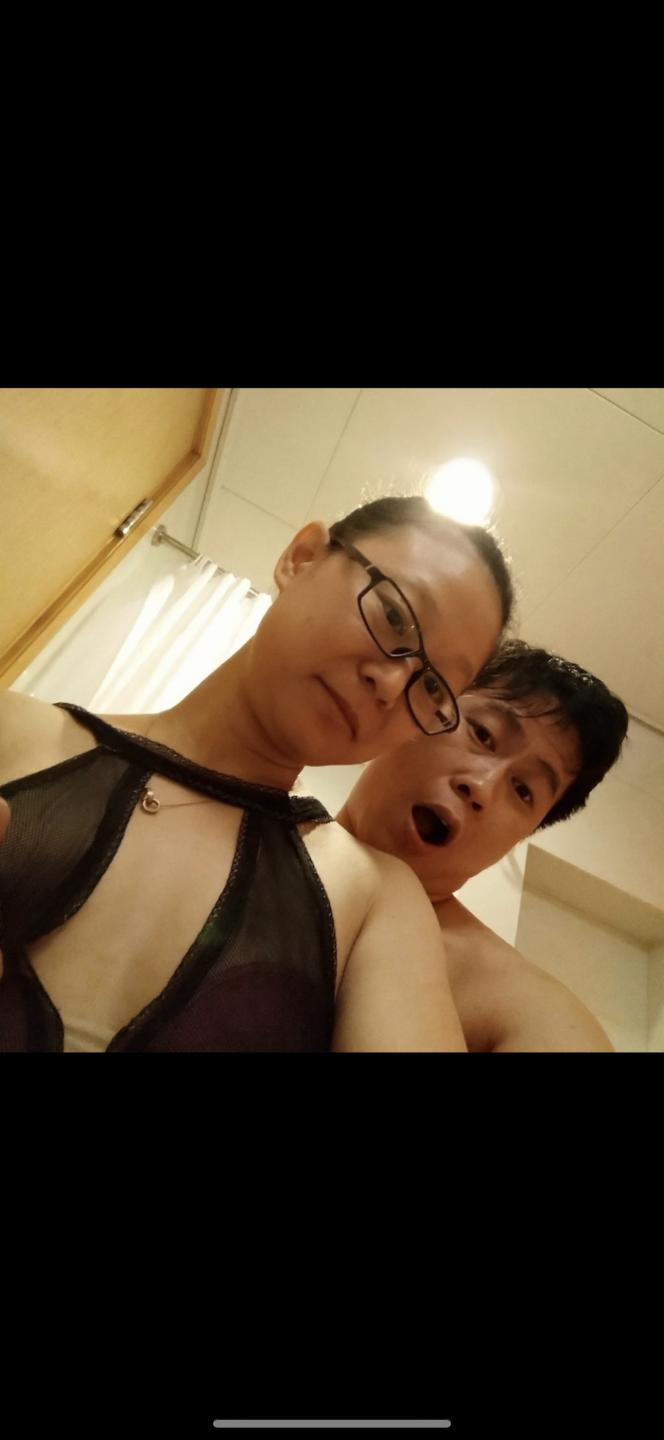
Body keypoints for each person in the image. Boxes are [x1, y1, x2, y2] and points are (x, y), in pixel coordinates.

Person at [0, 495, 512, 1053]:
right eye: (393, 616)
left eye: (432, 687)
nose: (392, 685)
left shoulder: (375, 899)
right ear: (302, 556)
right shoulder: (13, 730)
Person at [336, 640, 629, 1052]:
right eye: (483, 734)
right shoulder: (258, 823)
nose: (481, 786)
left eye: (523, 790)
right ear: (420, 707)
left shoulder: (519, 1007)